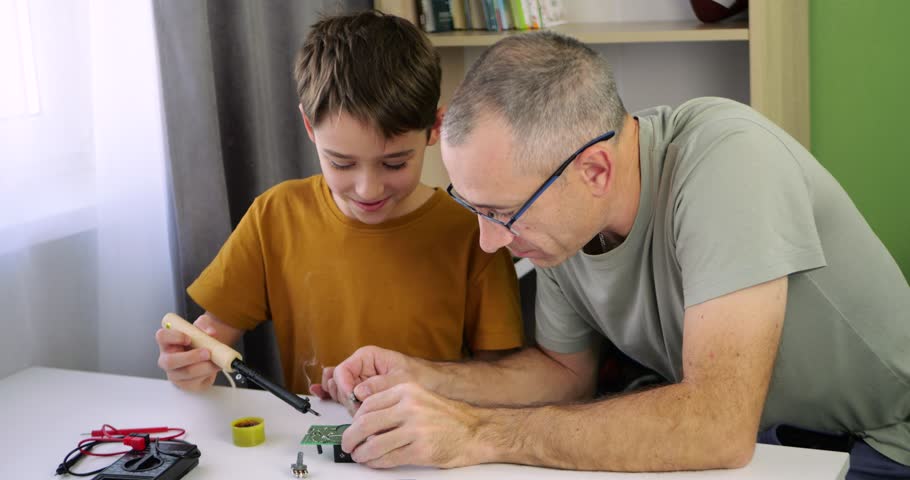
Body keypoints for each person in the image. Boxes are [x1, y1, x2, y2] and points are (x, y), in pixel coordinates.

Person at [329, 31, 910, 478]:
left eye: (503, 212)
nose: (489, 241)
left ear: (595, 170)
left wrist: (479, 432)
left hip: (878, 446)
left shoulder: (729, 159)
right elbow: (564, 376)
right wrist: (422, 377)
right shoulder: (562, 221)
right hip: (766, 447)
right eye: (474, 207)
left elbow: (715, 425)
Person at [154, 11, 524, 398]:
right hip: (314, 433)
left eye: (394, 163)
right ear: (309, 127)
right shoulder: (276, 215)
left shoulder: (477, 232)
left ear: (435, 128)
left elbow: (500, 377)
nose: (368, 189)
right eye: (342, 164)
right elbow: (212, 334)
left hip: (432, 430)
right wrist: (191, 360)